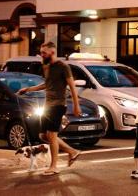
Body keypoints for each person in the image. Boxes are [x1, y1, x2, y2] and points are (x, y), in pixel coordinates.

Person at [16, 42, 81, 176]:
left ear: (52, 52)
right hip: (48, 105)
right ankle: (72, 151)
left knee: (51, 135)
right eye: (41, 52)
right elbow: (46, 84)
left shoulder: (63, 66)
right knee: (43, 135)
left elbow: (72, 86)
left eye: (44, 52)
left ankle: (54, 166)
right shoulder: (46, 66)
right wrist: (28, 89)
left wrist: (76, 105)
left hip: (58, 104)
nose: (42, 55)